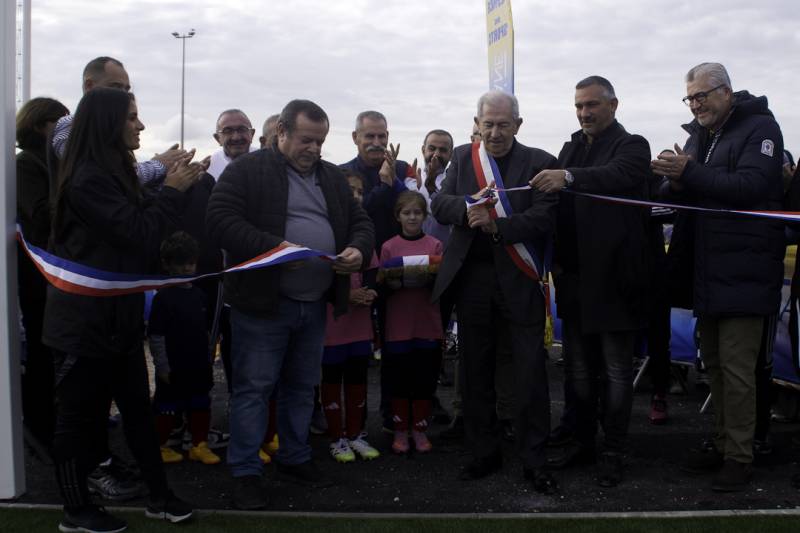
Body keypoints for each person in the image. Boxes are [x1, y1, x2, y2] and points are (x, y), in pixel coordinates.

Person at [43, 88, 202, 532]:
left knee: (138, 412)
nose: (142, 126)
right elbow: (138, 234)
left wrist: (173, 191)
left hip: (121, 320)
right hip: (82, 324)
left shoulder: (118, 172)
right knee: (78, 422)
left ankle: (159, 496)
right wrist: (170, 189)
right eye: (132, 117)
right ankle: (75, 511)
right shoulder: (87, 178)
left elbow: (147, 236)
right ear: (108, 124)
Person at [206, 99, 374, 510]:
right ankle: (246, 470)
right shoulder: (247, 170)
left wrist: (356, 248)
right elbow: (219, 220)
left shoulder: (333, 178)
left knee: (301, 388)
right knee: (254, 389)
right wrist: (277, 250)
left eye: (319, 141)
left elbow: (362, 223)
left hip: (314, 303)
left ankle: (294, 457)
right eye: (305, 140)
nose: (314, 149)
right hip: (263, 304)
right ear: (280, 132)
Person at [651, 62, 785, 492]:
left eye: (701, 96)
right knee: (717, 368)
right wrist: (674, 178)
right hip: (708, 270)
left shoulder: (761, 129)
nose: (695, 105)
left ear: (726, 92)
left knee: (739, 370)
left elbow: (752, 186)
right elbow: (687, 192)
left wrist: (687, 171)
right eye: (689, 98)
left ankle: (740, 457)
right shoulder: (700, 135)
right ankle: (725, 442)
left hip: (744, 268)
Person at [431, 90, 558, 494]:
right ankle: (483, 452)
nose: (496, 132)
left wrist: (498, 227)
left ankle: (534, 457)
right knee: (475, 371)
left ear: (518, 125)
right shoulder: (463, 159)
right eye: (488, 124)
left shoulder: (541, 162)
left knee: (529, 372)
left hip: (520, 278)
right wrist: (467, 209)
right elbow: (440, 203)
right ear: (478, 123)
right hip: (473, 281)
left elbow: (545, 216)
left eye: (504, 124)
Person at [531, 75, 650, 487]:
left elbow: (617, 175)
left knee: (617, 372)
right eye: (579, 106)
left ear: (613, 105)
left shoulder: (633, 145)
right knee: (578, 371)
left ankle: (614, 451)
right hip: (576, 280)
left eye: (592, 105)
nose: (584, 113)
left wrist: (567, 177)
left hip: (616, 281)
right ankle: (583, 443)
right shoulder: (570, 147)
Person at [16, 97, 70, 454]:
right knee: (40, 354)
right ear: (40, 126)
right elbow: (38, 217)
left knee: (57, 354)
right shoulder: (26, 166)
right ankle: (39, 430)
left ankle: (58, 420)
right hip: (37, 276)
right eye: (59, 123)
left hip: (58, 275)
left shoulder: (56, 165)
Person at [321, 171, 381, 463]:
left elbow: (372, 273)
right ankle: (336, 439)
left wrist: (370, 292)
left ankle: (356, 435)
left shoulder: (365, 232)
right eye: (349, 191)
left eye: (359, 192)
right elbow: (318, 280)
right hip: (331, 328)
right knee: (331, 382)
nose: (355, 197)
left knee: (357, 382)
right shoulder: (324, 232)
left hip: (360, 327)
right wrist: (346, 297)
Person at [148, 232, 220, 466]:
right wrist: (162, 366)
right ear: (167, 264)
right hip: (173, 365)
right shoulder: (163, 298)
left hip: (198, 363)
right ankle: (160, 445)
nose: (186, 269)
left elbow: (207, 331)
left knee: (200, 402)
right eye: (180, 264)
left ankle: (199, 444)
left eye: (190, 263)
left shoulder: (199, 295)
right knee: (167, 407)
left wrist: (209, 356)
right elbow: (156, 335)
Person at [380, 191, 444, 453]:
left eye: (417, 212)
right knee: (399, 378)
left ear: (424, 216)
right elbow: (381, 285)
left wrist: (430, 278)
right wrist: (392, 282)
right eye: (407, 213)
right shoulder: (389, 246)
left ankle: (419, 429)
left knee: (424, 379)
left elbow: (442, 283)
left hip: (427, 323)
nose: (412, 217)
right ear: (398, 216)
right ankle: (399, 430)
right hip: (398, 324)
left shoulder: (435, 245)